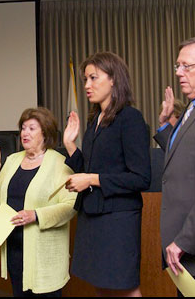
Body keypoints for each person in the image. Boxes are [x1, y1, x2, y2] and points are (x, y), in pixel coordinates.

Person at [63, 52, 151, 297]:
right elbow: (88, 169)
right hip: (93, 215)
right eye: (85, 79)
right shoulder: (95, 121)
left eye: (93, 78)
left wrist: (92, 180)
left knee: (125, 287)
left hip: (118, 219)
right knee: (102, 285)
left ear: (113, 79)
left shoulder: (130, 118)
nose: (87, 86)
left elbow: (141, 177)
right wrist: (70, 145)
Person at [0, 107, 77, 297]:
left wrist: (36, 215)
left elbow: (71, 205)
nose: (25, 133)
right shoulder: (12, 160)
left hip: (44, 254)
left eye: (31, 128)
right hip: (15, 249)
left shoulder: (60, 163)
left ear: (45, 133)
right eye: (23, 128)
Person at [154, 37, 195, 294]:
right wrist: (165, 125)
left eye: (186, 66)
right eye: (177, 66)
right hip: (185, 252)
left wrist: (185, 239)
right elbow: (187, 156)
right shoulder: (191, 107)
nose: (178, 73)